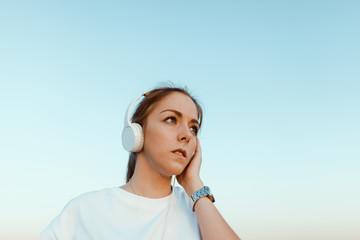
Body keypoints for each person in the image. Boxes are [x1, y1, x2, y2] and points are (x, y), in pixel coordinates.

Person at [41, 84, 240, 240]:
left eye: (193, 128)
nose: (186, 135)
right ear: (136, 133)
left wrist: (194, 183)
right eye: (171, 119)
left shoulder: (199, 210)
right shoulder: (84, 210)